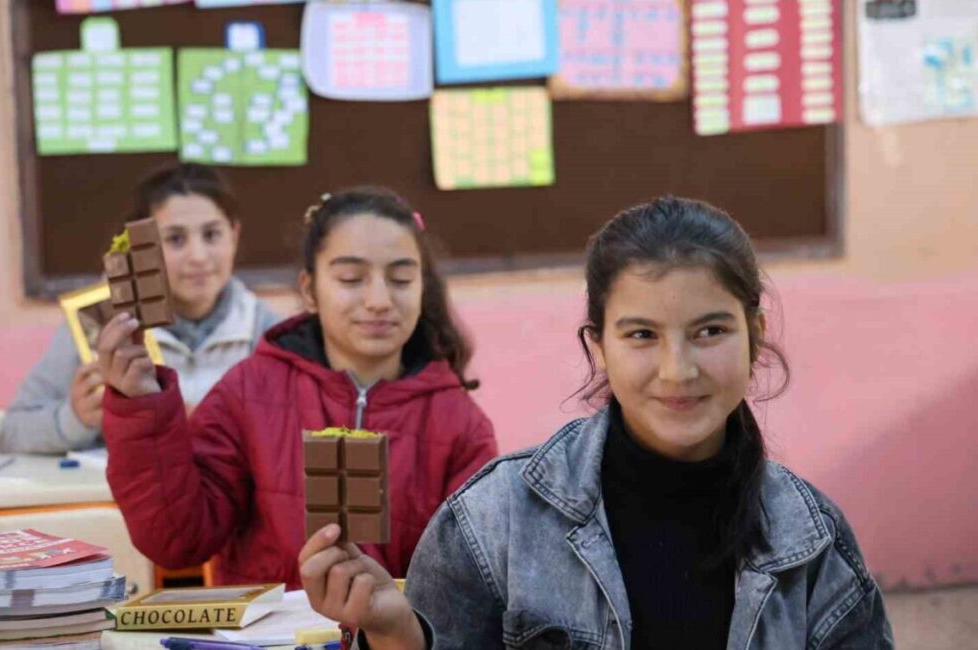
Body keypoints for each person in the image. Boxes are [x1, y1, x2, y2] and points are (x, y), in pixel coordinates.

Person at [298, 196, 894, 650]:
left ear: (754, 336)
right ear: (599, 348)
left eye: (710, 331)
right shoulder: (492, 522)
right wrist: (396, 631)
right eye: (641, 335)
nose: (677, 370)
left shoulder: (812, 541)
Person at [96, 187, 499, 586]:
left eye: (401, 279)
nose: (379, 300)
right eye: (351, 278)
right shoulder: (248, 391)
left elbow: (470, 589)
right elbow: (178, 540)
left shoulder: (461, 425)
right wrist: (140, 407)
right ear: (310, 290)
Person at [0, 163, 283, 454]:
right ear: (141, 247)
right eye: (175, 239)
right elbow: (11, 434)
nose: (198, 257)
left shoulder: (271, 334)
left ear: (234, 235)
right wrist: (75, 419)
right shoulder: (102, 326)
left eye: (211, 235)